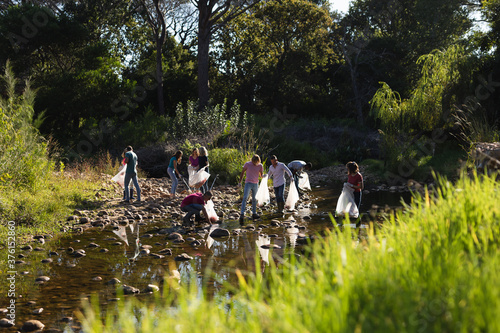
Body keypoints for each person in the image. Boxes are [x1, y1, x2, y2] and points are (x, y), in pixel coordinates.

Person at [239, 154, 264, 222]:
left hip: (255, 184)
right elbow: (242, 172)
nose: (256, 163)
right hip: (248, 183)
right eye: (255, 161)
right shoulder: (247, 164)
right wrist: (240, 182)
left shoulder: (260, 165)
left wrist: (264, 176)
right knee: (245, 198)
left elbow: (261, 175)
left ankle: (254, 213)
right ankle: (242, 213)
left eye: (257, 161)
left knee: (254, 199)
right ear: (252, 160)